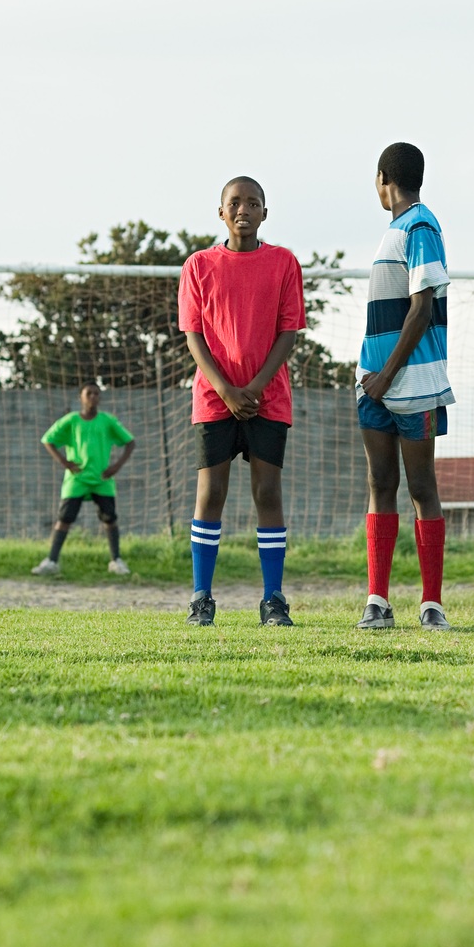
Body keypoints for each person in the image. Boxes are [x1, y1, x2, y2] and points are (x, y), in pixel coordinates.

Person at [178, 175, 308, 627]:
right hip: (214, 401)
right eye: (235, 203)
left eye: (253, 203)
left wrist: (253, 388)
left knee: (267, 493)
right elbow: (194, 335)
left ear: (265, 213)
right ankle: (201, 598)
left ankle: (273, 599)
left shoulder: (284, 263)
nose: (244, 210)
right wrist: (227, 390)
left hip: (267, 398)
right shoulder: (197, 266)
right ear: (221, 212)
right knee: (210, 494)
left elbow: (289, 330)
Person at [356, 142, 455, 631]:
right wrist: (373, 379)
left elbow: (421, 306)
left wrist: (388, 374)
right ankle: (378, 600)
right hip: (373, 385)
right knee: (380, 484)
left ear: (382, 179)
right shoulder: (395, 230)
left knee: (421, 488)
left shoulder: (420, 225)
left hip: (410, 384)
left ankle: (431, 603)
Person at [32, 383, 136, 577]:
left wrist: (116, 466)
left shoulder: (107, 421)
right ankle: (51, 561)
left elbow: (130, 442)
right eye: (89, 393)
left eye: (96, 393)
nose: (93, 396)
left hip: (102, 479)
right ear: (81, 397)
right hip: (76, 479)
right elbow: (48, 439)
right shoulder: (71, 420)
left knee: (110, 519)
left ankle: (116, 560)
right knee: (64, 519)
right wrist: (64, 461)